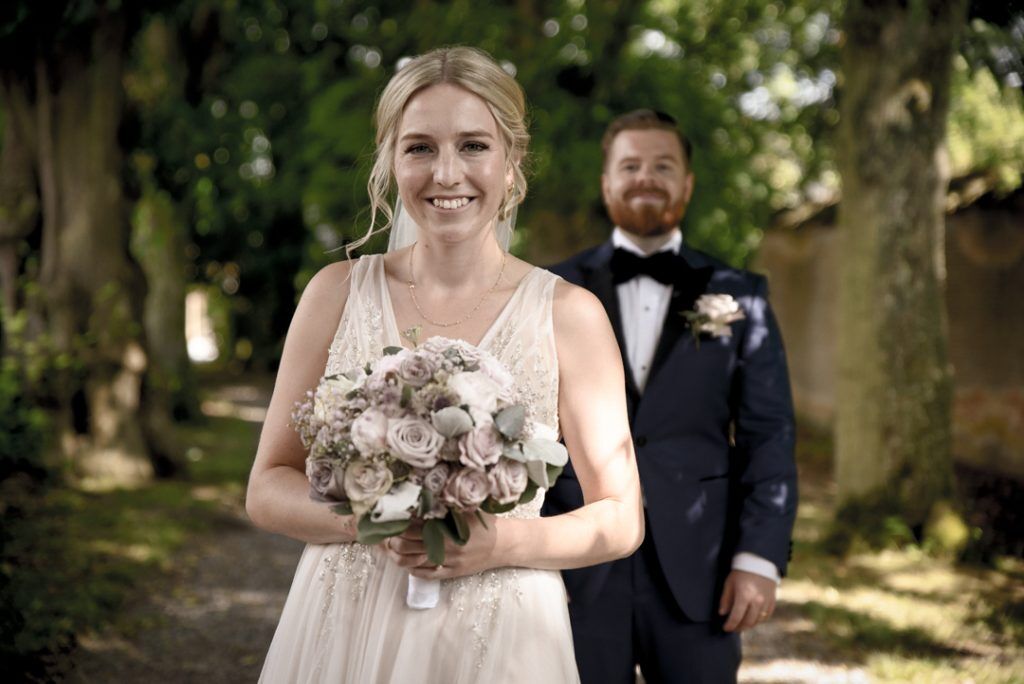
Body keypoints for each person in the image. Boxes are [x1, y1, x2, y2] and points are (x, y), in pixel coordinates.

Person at [246, 47, 643, 683]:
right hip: (346, 623)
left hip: (501, 635)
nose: (447, 173)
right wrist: (374, 517)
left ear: (512, 164)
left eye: (474, 146)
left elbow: (621, 518)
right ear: (391, 162)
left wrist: (500, 543)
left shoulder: (570, 315)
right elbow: (267, 486)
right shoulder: (334, 292)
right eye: (421, 148)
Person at [542, 109, 798, 683]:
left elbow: (769, 434)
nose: (646, 177)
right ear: (606, 182)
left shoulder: (741, 294)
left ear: (687, 183)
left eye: (663, 165)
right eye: (629, 165)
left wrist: (757, 559)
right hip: (575, 564)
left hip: (700, 570)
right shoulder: (550, 291)